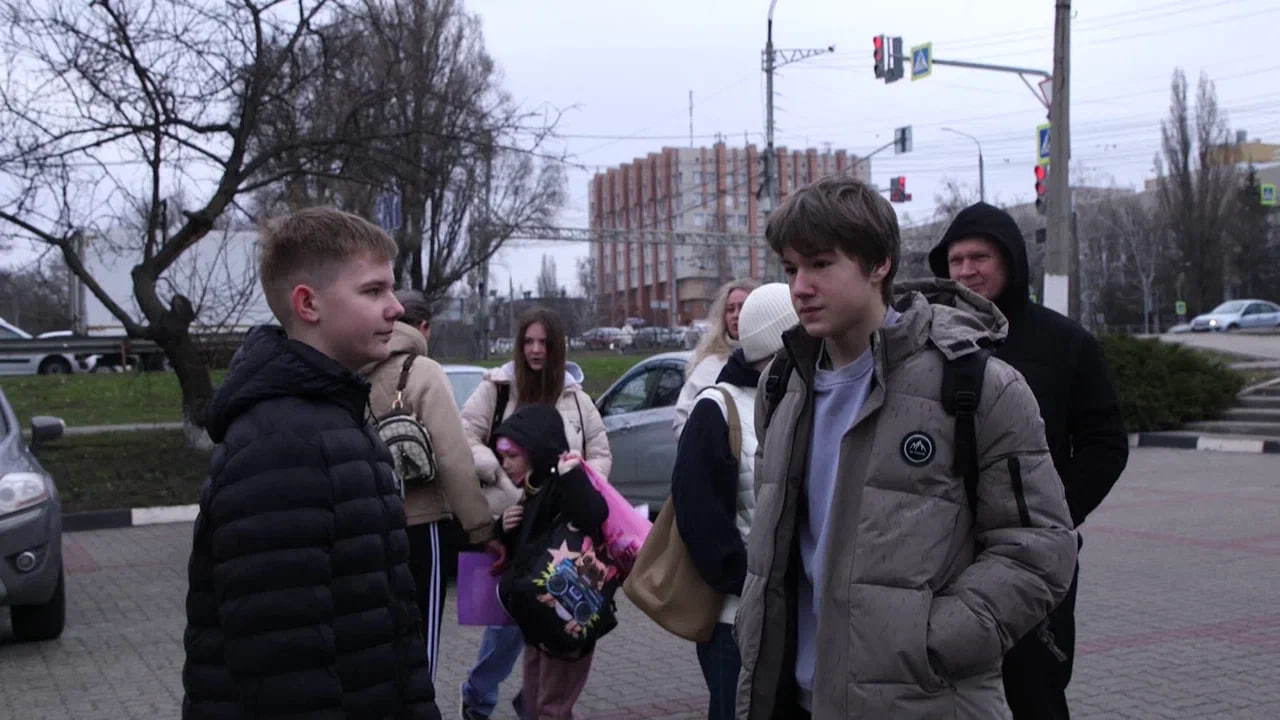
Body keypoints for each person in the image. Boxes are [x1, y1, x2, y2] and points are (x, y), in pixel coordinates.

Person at [735, 176, 1078, 719]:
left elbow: (1040, 548)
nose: (799, 287)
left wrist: (928, 641)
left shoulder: (978, 385)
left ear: (880, 264)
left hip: (924, 701)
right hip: (796, 700)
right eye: (790, 268)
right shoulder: (782, 385)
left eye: (821, 264)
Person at [182, 207, 441, 719]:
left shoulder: (337, 418)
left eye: (391, 289)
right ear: (308, 303)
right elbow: (284, 667)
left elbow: (393, 626)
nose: (396, 308)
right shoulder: (279, 446)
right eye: (373, 291)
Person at [929, 201, 1129, 720]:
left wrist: (1053, 518)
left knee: (1035, 691)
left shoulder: (1065, 343)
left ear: (1011, 261)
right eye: (956, 260)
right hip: (943, 559)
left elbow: (1106, 443)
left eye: (980, 257)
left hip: (1035, 561)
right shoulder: (929, 343)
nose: (966, 271)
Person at [457, 307, 611, 720]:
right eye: (528, 341)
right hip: (511, 524)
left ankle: (535, 702)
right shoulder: (498, 388)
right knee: (504, 622)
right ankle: (479, 697)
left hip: (559, 534)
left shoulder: (575, 397)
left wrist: (578, 482)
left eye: (544, 342)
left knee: (545, 623)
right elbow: (465, 435)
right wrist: (496, 470)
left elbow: (600, 452)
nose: (536, 350)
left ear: (558, 347)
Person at [669, 283, 797, 720]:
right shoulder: (717, 408)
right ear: (779, 345)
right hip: (733, 622)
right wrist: (750, 583)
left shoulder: (801, 401)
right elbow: (700, 519)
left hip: (794, 615)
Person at [364, 289, 505, 683]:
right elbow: (453, 458)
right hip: (422, 526)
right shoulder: (423, 371)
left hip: (369, 526)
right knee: (421, 637)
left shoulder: (357, 370)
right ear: (424, 327)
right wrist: (481, 530)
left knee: (380, 639)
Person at [492, 404, 609, 720]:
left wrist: (571, 476)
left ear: (536, 450)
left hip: (568, 615)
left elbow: (593, 513)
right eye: (501, 456)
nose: (505, 464)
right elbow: (529, 551)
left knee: (551, 708)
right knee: (534, 704)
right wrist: (503, 529)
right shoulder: (534, 487)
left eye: (512, 456)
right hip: (540, 621)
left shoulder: (563, 481)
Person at [672, 278, 760, 437]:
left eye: (743, 307)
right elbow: (682, 419)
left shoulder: (774, 360)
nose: (736, 315)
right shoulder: (710, 365)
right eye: (730, 309)